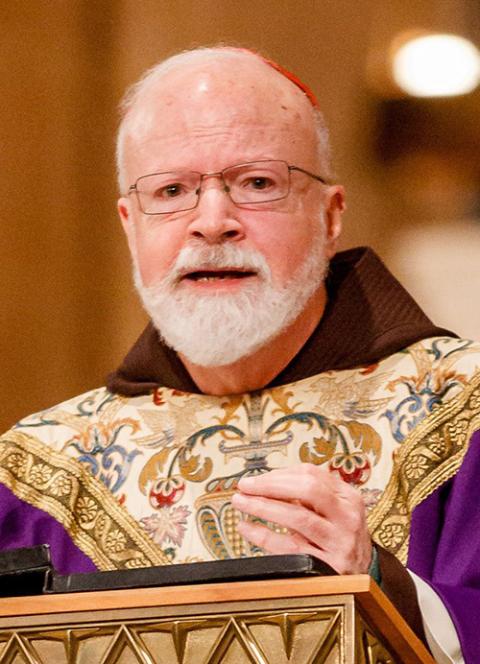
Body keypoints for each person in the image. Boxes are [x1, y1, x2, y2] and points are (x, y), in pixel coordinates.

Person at [1, 46, 479, 663]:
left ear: (332, 215)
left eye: (257, 183)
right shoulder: (34, 479)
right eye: (172, 190)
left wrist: (388, 587)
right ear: (130, 223)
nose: (212, 222)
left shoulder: (463, 415)